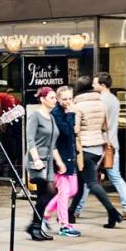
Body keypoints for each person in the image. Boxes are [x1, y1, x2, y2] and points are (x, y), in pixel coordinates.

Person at [75, 73, 126, 220]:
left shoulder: (100, 101)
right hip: (112, 144)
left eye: (95, 84)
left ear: (102, 85)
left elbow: (98, 126)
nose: (93, 87)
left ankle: (77, 209)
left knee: (88, 180)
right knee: (116, 177)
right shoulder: (114, 99)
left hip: (98, 145)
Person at [69, 76, 122, 229]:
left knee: (92, 183)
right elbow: (106, 126)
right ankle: (71, 212)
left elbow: (75, 129)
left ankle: (112, 212)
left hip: (83, 148)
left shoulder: (77, 106)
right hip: (98, 148)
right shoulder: (100, 103)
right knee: (80, 183)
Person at [25, 87, 62, 242]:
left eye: (55, 98)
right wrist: (37, 159)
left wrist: (59, 162)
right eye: (52, 97)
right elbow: (30, 139)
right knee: (47, 192)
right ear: (42, 99)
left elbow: (53, 144)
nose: (55, 100)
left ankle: (35, 226)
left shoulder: (51, 118)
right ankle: (35, 227)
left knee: (47, 193)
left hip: (49, 161)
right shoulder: (35, 116)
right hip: (37, 160)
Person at [44, 86, 80, 237]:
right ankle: (64, 225)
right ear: (58, 99)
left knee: (73, 190)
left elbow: (75, 132)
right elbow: (65, 132)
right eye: (64, 99)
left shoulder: (68, 112)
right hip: (60, 159)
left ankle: (45, 214)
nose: (68, 102)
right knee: (64, 193)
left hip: (70, 157)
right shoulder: (56, 114)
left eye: (70, 98)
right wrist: (71, 114)